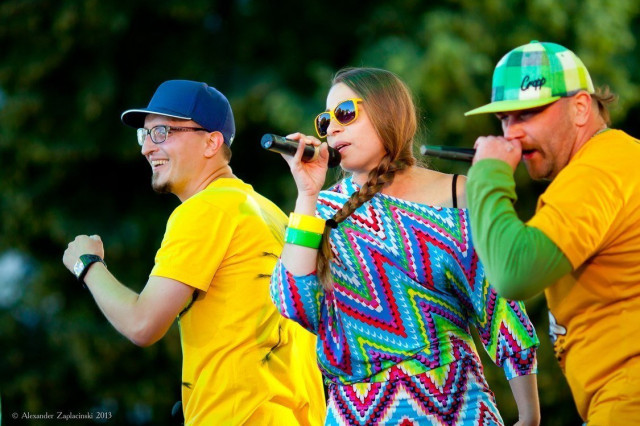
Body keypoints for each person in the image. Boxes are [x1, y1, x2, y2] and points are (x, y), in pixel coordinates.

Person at [269, 67, 541, 425]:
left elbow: (499, 306)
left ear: (388, 112)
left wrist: (529, 414)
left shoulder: (459, 192)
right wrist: (306, 195)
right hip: (357, 412)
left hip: (458, 408)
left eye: (345, 113)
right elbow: (293, 302)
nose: (332, 129)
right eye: (325, 121)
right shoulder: (319, 211)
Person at [62, 80, 325, 425]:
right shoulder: (269, 213)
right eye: (145, 135)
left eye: (162, 132)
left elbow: (143, 324)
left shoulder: (205, 209)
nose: (146, 148)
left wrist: (87, 264)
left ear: (211, 142)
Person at [464, 40, 640, 424]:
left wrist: (488, 175)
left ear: (580, 107)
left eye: (527, 114)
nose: (512, 133)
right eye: (504, 119)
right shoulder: (616, 160)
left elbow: (514, 274)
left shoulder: (598, 171)